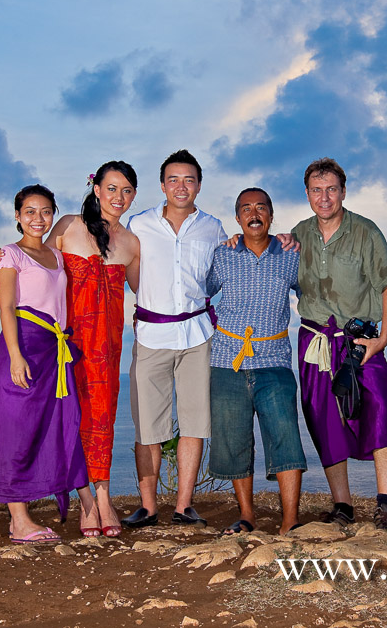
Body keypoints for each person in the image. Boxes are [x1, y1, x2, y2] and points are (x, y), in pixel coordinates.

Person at [0, 185, 94, 543]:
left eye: (45, 211)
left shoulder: (55, 256)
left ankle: (84, 503)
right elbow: (8, 308)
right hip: (24, 345)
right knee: (16, 429)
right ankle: (19, 519)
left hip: (53, 348)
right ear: (17, 216)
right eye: (29, 211)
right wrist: (14, 354)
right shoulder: (8, 256)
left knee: (58, 424)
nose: (38, 218)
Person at [292, 158, 387, 529]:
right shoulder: (299, 234)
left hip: (360, 340)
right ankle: (343, 505)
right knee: (322, 418)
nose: (324, 198)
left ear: (343, 191)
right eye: (316, 190)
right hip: (313, 341)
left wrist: (382, 338)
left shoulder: (366, 232)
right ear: (307, 193)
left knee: (379, 407)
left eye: (331, 189)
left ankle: (385, 502)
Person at [121, 150, 227, 528]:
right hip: (151, 334)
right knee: (148, 425)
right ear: (162, 184)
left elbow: (223, 274)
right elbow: (126, 269)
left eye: (189, 180)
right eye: (173, 179)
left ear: (199, 184)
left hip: (198, 334)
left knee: (196, 421)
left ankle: (184, 505)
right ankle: (148, 507)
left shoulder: (213, 228)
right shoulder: (139, 224)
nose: (181, 187)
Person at [45, 162, 141, 537]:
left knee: (102, 420)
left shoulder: (131, 243)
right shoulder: (69, 225)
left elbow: (149, 293)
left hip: (107, 345)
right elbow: (39, 267)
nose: (119, 197)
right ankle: (85, 497)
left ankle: (103, 495)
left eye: (128, 191)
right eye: (112, 188)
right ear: (96, 188)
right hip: (66, 342)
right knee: (69, 418)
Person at [206, 188, 306, 535]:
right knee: (234, 440)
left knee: (285, 435)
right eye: (246, 208)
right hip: (226, 359)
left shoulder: (291, 255)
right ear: (237, 218)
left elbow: (312, 293)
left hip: (275, 359)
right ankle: (246, 515)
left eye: (260, 207)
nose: (254, 213)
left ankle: (290, 520)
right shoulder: (223, 254)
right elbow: (197, 290)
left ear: (271, 214)